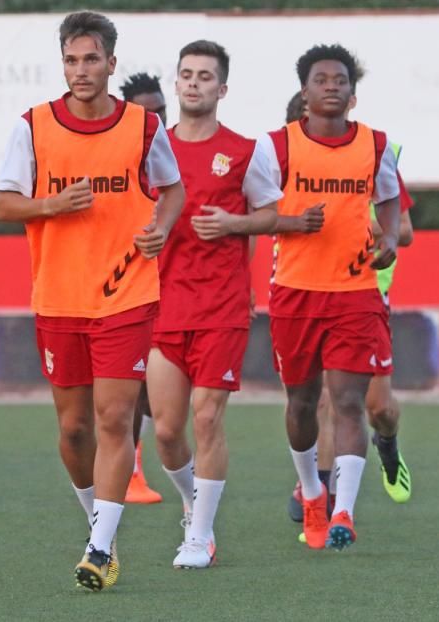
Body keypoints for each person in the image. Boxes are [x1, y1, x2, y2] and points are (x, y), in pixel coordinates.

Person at [0, 11, 185, 591]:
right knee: (74, 430)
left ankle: (98, 550)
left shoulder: (143, 127)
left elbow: (172, 190)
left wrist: (161, 228)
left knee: (113, 418)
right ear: (63, 64)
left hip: (126, 294)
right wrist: (51, 205)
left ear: (111, 64)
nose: (81, 70)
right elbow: (2, 206)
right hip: (58, 298)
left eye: (92, 59)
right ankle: (101, 528)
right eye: (72, 60)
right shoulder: (33, 126)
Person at [260, 43, 401, 550]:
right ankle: (313, 493)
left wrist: (386, 239)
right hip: (295, 293)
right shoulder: (276, 147)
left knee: (347, 403)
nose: (332, 86)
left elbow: (389, 202)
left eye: (340, 79)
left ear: (352, 92)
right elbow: (254, 211)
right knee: (300, 404)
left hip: (355, 292)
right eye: (321, 79)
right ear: (304, 91)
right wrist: (290, 223)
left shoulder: (375, 145)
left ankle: (343, 512)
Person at [146, 41, 280, 569]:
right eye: (186, 74)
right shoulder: (153, 150)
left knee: (207, 418)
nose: (194, 83)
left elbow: (271, 214)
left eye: (205, 76)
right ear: (175, 84)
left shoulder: (246, 151)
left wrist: (234, 224)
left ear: (221, 89)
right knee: (164, 429)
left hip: (222, 306)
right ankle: (192, 501)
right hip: (163, 304)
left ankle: (199, 537)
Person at [280, 86, 416, 525]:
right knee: (321, 400)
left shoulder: (374, 153)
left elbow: (406, 229)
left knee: (377, 408)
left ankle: (388, 445)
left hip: (366, 291)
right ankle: (321, 496)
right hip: (309, 292)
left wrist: (357, 219)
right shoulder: (282, 156)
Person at [118, 71, 168, 505]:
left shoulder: (176, 160)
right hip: (131, 289)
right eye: (146, 112)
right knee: (131, 388)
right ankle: (130, 470)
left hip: (177, 291)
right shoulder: (118, 158)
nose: (156, 119)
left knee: (159, 396)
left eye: (160, 111)